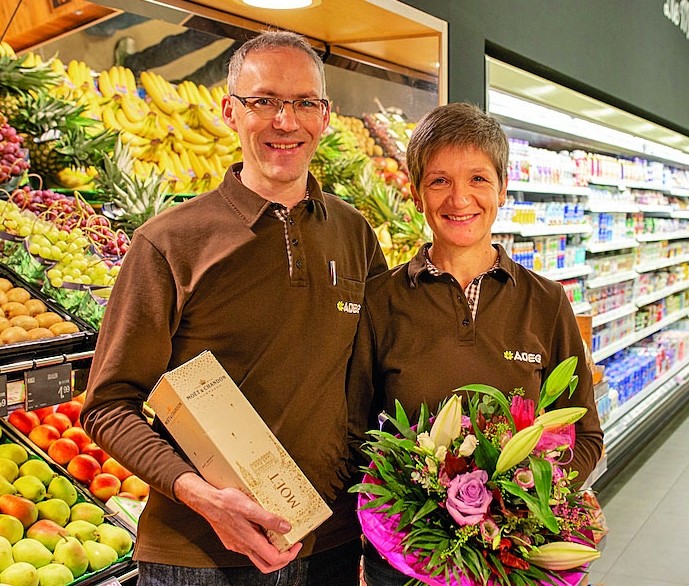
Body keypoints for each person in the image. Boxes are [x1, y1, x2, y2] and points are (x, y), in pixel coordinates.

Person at [80, 30, 387, 586]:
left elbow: (371, 384)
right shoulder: (170, 242)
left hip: (328, 548)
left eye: (303, 104)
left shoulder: (355, 235)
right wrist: (204, 498)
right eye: (263, 101)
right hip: (196, 558)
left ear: (324, 115)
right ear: (230, 111)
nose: (285, 122)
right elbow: (108, 406)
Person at [346, 102, 604, 586]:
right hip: (406, 560)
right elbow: (355, 433)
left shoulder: (547, 302)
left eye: (478, 179)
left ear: (503, 189)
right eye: (439, 180)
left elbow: (584, 436)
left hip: (512, 558)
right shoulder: (379, 301)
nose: (459, 198)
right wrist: (398, 520)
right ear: (417, 196)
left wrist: (528, 502)